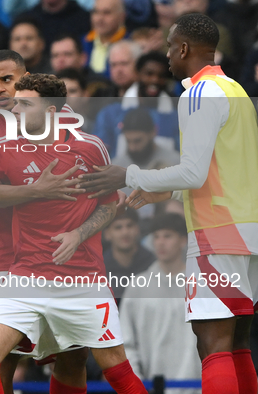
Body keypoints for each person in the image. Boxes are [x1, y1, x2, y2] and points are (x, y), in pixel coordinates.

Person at [78, 13, 258, 394]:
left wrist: (128, 175)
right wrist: (168, 191)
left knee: (213, 343)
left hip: (215, 232)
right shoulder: (237, 91)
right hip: (248, 232)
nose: (167, 57)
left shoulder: (196, 93)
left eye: (168, 48)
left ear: (184, 48)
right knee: (238, 342)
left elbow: (192, 172)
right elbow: (222, 171)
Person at [0, 73, 145, 394]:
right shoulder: (6, 150)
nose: (16, 110)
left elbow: (109, 204)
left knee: (115, 370)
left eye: (25, 103)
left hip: (82, 279)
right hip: (24, 277)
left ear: (50, 112)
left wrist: (78, 234)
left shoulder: (90, 149)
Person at [120, 213, 201, 394]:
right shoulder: (137, 287)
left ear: (182, 240)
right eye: (156, 236)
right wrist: (137, 384)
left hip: (198, 388)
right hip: (152, 388)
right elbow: (126, 343)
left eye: (167, 236)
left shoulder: (201, 285)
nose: (160, 242)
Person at [103, 207, 155, 302]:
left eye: (130, 226)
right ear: (107, 234)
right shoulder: (99, 269)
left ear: (138, 229)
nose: (125, 232)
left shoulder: (153, 264)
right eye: (118, 227)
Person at [82, 0, 128, 76]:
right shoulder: (83, 42)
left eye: (107, 13)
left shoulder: (130, 43)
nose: (100, 18)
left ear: (122, 16)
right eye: (96, 12)